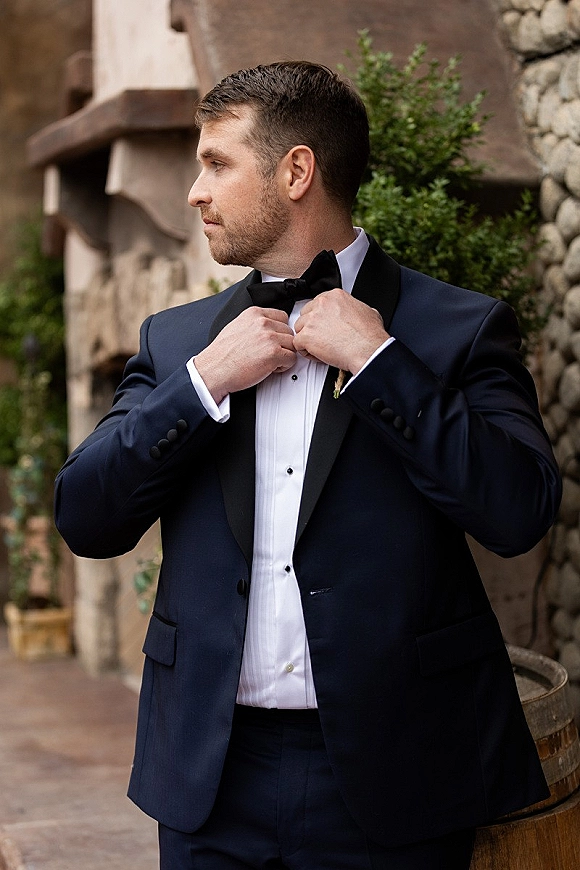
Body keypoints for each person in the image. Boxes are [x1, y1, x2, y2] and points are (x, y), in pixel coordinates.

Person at [55, 61, 562, 870]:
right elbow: (85, 516)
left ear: (296, 171)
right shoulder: (179, 343)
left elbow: (518, 512)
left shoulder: (458, 329)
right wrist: (202, 386)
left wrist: (383, 363)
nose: (195, 189)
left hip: (399, 774)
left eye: (217, 162)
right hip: (210, 776)